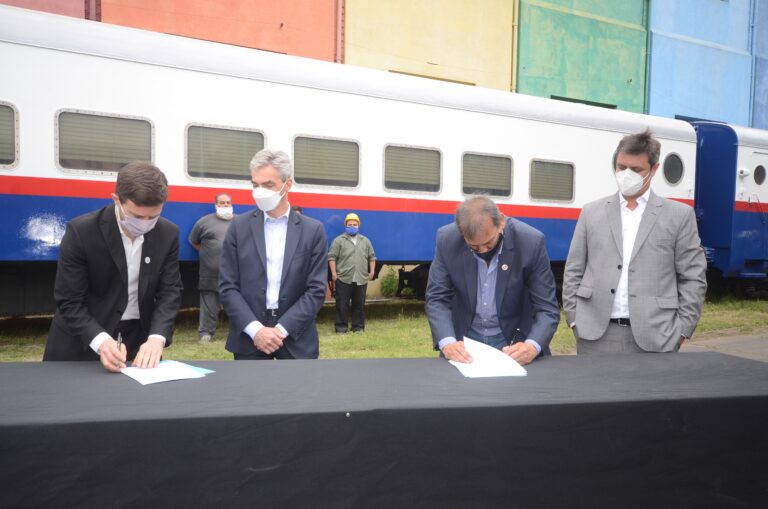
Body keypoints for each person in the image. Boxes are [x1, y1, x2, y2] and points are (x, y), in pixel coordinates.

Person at [563, 129, 707, 354]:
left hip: (657, 336)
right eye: (621, 167)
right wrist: (574, 319)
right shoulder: (591, 212)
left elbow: (693, 277)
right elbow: (573, 270)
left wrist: (681, 331)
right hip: (594, 335)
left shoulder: (679, 216)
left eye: (636, 169)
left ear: (654, 169)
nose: (626, 174)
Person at [43, 161, 183, 372]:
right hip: (83, 340)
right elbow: (70, 301)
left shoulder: (168, 233)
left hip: (137, 339)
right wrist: (101, 341)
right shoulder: (81, 232)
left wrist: (157, 338)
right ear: (116, 200)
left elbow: (170, 291)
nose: (145, 223)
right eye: (136, 216)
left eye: (153, 217)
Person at [425, 196, 560, 365]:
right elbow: (437, 299)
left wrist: (532, 346)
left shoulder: (530, 242)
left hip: (515, 342)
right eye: (474, 247)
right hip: (465, 343)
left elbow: (547, 308)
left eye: (489, 244)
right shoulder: (447, 239)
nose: (482, 251)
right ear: (461, 232)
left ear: (501, 222)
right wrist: (447, 342)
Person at [219, 149, 327, 359]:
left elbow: (316, 289)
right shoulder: (238, 227)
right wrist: (255, 330)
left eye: (268, 185)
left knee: (298, 393)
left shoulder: (313, 230)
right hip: (249, 338)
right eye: (255, 185)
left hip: (296, 336)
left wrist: (281, 330)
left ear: (287, 184)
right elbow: (227, 286)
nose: (260, 191)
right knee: (250, 393)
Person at [189, 193, 233, 344]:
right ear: (216, 205)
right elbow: (194, 241)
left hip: (234, 275)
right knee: (209, 304)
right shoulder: (204, 222)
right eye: (222, 203)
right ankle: (205, 334)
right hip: (210, 273)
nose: (225, 205)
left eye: (228, 202)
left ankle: (239, 332)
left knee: (236, 304)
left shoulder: (240, 222)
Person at [328, 212, 376, 333]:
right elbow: (332, 258)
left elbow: (372, 257)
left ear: (358, 225)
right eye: (350, 224)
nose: (352, 226)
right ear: (345, 225)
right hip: (343, 278)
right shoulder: (338, 241)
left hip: (361, 278)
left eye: (355, 224)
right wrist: (334, 274)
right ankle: (341, 328)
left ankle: (358, 327)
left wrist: (372, 272)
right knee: (342, 304)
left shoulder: (365, 241)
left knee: (359, 305)